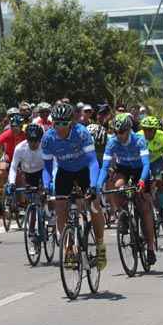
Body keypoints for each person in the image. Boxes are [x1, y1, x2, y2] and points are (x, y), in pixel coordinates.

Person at [41, 103, 107, 270]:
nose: (60, 127)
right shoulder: (48, 138)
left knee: (94, 205)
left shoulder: (81, 133)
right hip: (64, 171)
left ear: (71, 123)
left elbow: (93, 162)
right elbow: (47, 167)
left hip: (84, 170)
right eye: (57, 123)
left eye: (64, 123)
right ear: (52, 123)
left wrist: (93, 186)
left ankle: (100, 245)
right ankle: (68, 248)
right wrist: (46, 185)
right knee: (60, 205)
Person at [97, 113, 156, 264]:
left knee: (144, 207)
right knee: (117, 187)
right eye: (116, 132)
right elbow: (104, 167)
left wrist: (142, 181)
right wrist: (97, 186)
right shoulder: (112, 142)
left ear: (129, 129)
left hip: (140, 170)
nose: (119, 135)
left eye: (122, 132)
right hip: (123, 168)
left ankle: (150, 247)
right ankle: (122, 214)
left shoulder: (139, 140)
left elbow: (146, 164)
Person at [140, 116, 163, 218]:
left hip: (157, 160)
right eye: (144, 129)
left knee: (159, 180)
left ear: (155, 130)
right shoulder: (138, 136)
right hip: (142, 161)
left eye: (150, 130)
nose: (147, 132)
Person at [6, 124, 45, 195]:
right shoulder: (19, 148)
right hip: (28, 173)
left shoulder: (45, 147)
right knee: (30, 197)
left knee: (47, 194)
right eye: (30, 140)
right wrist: (11, 183)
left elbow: (53, 164)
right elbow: (13, 167)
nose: (33, 143)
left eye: (36, 141)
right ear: (27, 139)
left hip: (42, 172)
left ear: (40, 139)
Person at [0, 113, 26, 185]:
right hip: (8, 157)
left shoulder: (25, 135)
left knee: (19, 180)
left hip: (20, 158)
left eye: (17, 127)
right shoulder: (6, 134)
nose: (14, 129)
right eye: (12, 126)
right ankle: (3, 189)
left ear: (21, 126)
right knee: (1, 172)